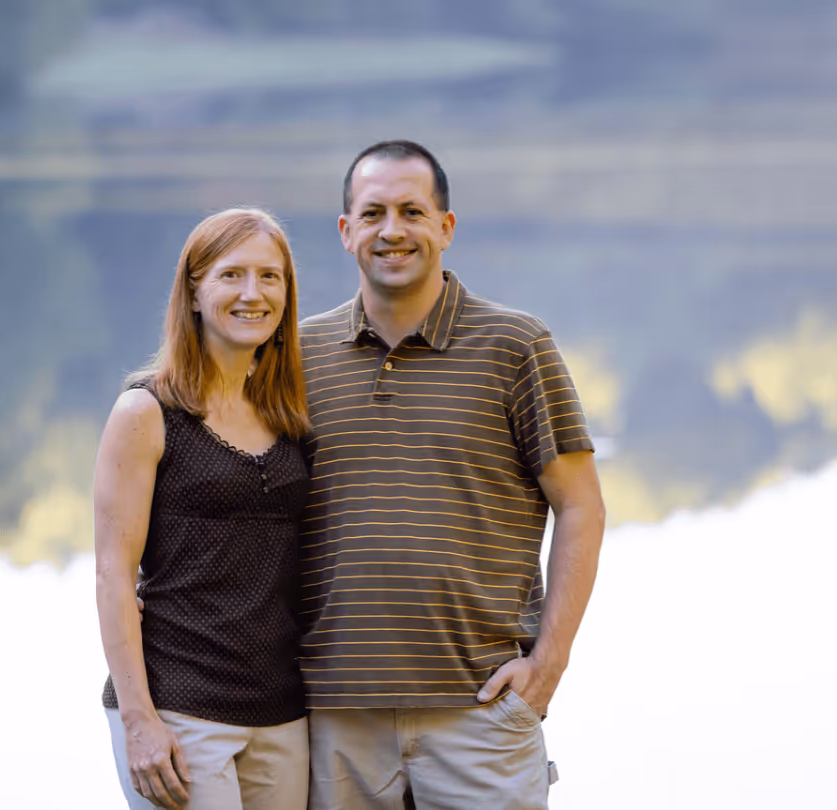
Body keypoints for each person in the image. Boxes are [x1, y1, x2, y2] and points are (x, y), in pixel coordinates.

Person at [298, 140, 606, 810]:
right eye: (373, 213)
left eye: (412, 211)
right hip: (333, 713)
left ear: (446, 226)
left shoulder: (515, 345)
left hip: (482, 708)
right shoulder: (296, 355)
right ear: (346, 231)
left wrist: (549, 664)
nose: (393, 230)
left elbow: (581, 505)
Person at [95, 208, 314, 810]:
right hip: (178, 705)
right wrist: (139, 721)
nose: (252, 293)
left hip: (280, 711)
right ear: (193, 292)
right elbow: (113, 575)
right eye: (231, 275)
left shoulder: (289, 414)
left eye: (269, 277)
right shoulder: (145, 412)